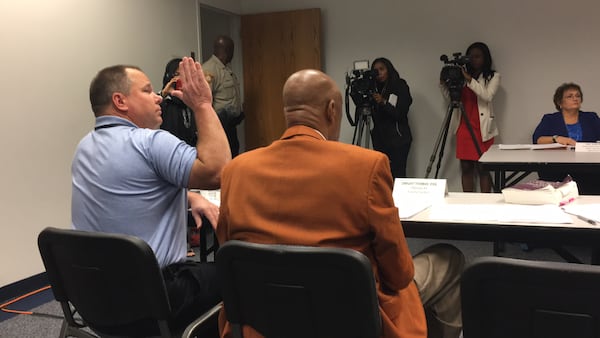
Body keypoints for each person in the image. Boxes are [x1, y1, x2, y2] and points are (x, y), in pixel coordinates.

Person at [216, 69, 465, 338]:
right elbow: (399, 273)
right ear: (332, 109)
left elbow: (229, 253)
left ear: (287, 111)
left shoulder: (235, 171)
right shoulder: (367, 165)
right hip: (352, 320)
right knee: (449, 259)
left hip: (264, 320)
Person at [71, 57, 230, 336]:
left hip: (94, 300)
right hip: (151, 301)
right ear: (120, 101)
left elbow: (129, 195)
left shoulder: (84, 149)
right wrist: (203, 105)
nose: (158, 97)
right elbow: (218, 171)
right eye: (146, 90)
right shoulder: (150, 142)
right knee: (238, 274)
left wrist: (189, 198)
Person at [159, 57, 219, 257]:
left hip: (190, 156)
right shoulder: (165, 105)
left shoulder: (191, 104)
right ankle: (182, 242)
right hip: (169, 161)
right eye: (178, 74)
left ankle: (195, 236)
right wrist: (163, 94)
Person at [442, 41, 500, 193]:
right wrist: (444, 84)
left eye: (478, 56)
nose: (474, 60)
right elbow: (451, 99)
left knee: (483, 168)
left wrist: (469, 80)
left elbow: (487, 96)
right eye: (471, 57)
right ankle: (467, 201)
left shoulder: (493, 76)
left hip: (483, 129)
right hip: (464, 125)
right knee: (466, 167)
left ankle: (486, 202)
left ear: (485, 58)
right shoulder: (460, 76)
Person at [532, 82, 600, 194]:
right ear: (560, 102)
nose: (575, 99)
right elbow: (537, 139)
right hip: (557, 166)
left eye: (578, 96)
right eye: (570, 96)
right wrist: (556, 138)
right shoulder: (550, 119)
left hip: (588, 167)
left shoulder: (590, 117)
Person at [371, 57, 413, 178]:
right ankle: (384, 197)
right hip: (380, 138)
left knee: (398, 174)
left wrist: (383, 102)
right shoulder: (373, 88)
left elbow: (401, 111)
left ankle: (398, 197)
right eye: (375, 70)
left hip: (398, 138)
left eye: (382, 69)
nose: (378, 73)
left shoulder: (400, 86)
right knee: (382, 175)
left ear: (389, 69)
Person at [202, 35, 244, 157]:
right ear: (227, 50)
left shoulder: (225, 69)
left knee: (234, 154)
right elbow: (205, 102)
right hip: (219, 127)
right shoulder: (210, 70)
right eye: (232, 50)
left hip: (231, 126)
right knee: (225, 158)